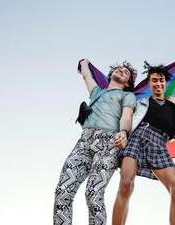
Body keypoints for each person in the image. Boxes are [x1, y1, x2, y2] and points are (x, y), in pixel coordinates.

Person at [112, 56, 175, 225]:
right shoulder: (140, 102)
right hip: (138, 137)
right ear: (149, 84)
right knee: (126, 183)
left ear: (166, 82)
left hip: (160, 143)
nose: (158, 83)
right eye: (154, 81)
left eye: (161, 80)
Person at [53, 59, 137, 225]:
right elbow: (86, 77)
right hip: (83, 142)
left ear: (127, 83)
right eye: (119, 69)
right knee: (62, 190)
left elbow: (127, 116)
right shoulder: (97, 92)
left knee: (93, 193)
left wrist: (123, 132)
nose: (121, 70)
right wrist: (84, 63)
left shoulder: (127, 95)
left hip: (109, 143)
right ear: (111, 74)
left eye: (125, 72)